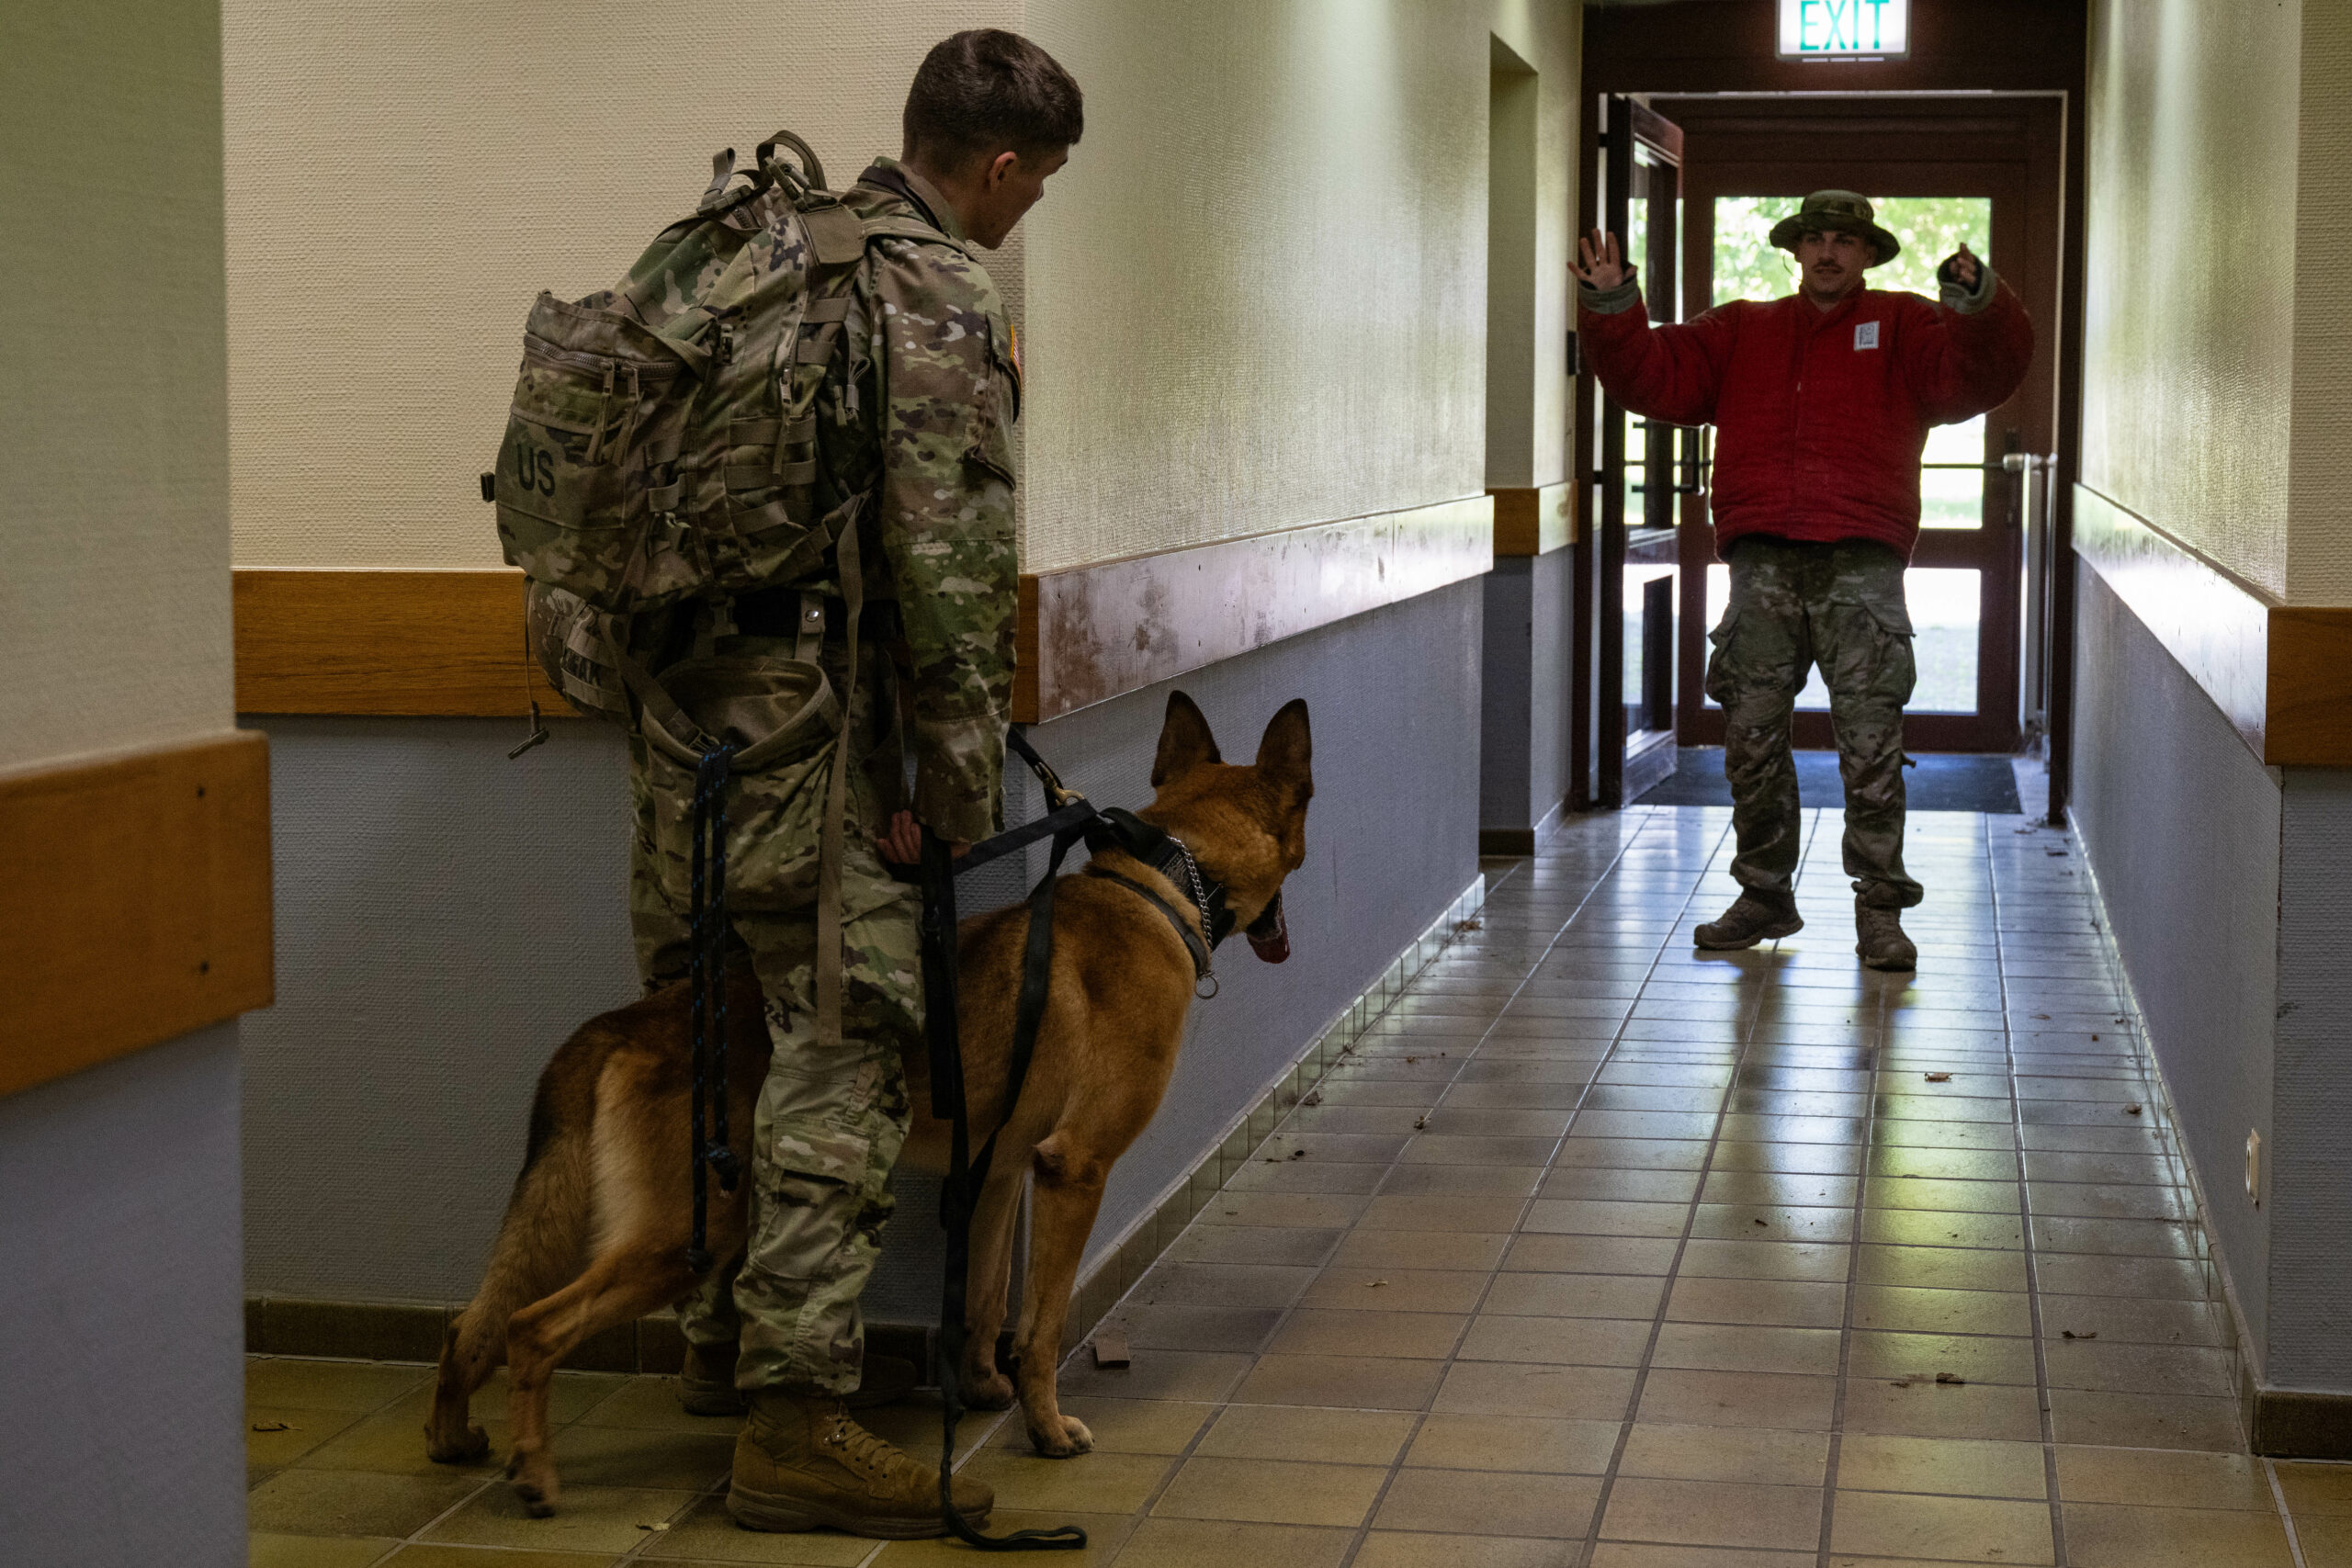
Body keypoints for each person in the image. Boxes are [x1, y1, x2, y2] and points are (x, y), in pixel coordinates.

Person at [624, 29, 1079, 1538]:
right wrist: (954, 798)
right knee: (846, 1053)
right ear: (1002, 166)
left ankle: (711, 1344)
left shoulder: (746, 253)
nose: (1029, 212)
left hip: (678, 727)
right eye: (1040, 184)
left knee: (718, 1033)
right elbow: (948, 575)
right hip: (819, 744)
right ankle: (797, 1419)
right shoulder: (933, 287)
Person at [1572, 190, 2032, 971]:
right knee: (1750, 736)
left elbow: (1983, 373)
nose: (1828, 252)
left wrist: (1978, 302)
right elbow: (1653, 375)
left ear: (1868, 254)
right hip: (1763, 562)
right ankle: (1764, 895)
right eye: (1815, 238)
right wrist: (1614, 301)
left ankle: (1879, 912)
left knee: (1870, 746)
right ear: (1794, 250)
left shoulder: (1905, 325)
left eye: (1845, 241)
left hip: (1863, 562)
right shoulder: (1742, 328)